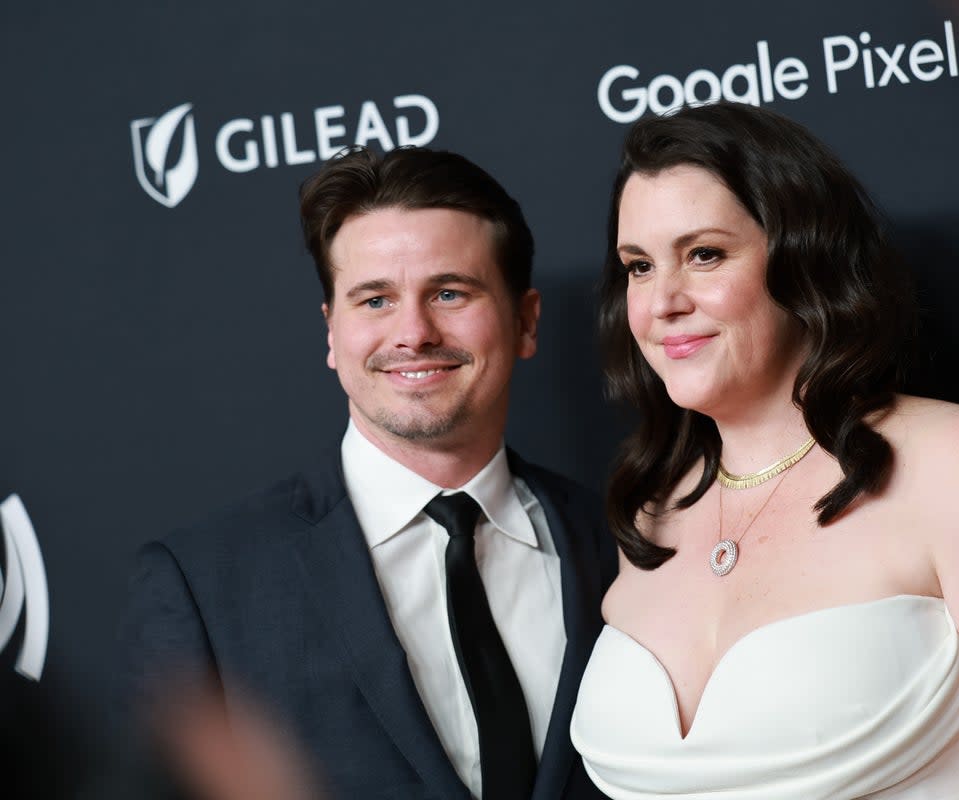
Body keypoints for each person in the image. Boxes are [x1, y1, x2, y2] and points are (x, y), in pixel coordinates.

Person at [570, 102, 959, 799]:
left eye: (704, 254)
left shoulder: (956, 464)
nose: (662, 301)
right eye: (638, 267)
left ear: (803, 257)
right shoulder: (653, 508)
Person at [120, 145, 616, 800]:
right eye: (375, 300)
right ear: (332, 332)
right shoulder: (205, 586)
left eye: (448, 292)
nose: (413, 332)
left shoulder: (620, 543)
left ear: (525, 322)